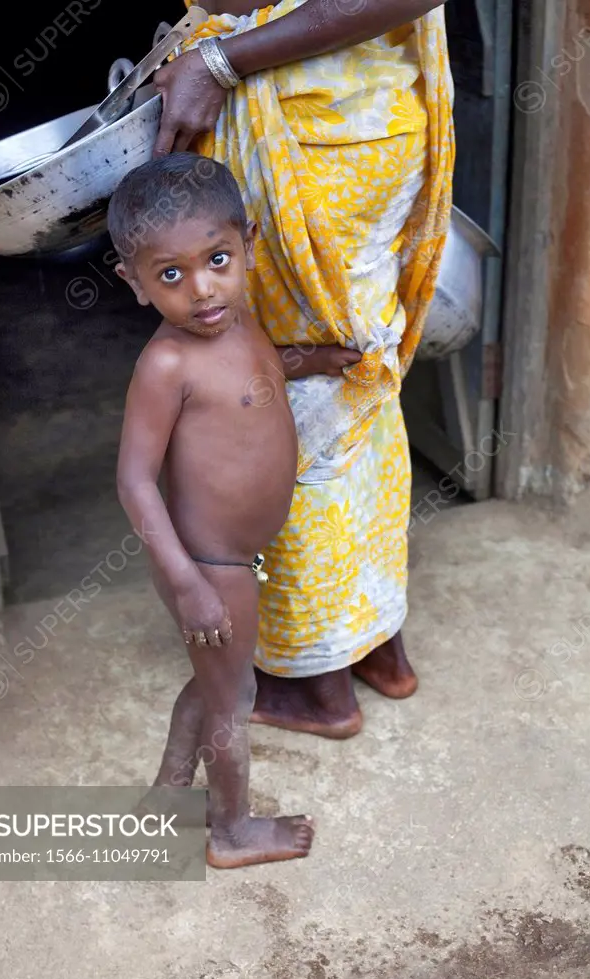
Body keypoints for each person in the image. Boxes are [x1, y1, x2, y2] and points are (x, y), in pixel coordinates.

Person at [146, 0, 455, 739]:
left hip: (311, 130)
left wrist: (221, 60)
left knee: (296, 408)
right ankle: (381, 649)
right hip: (352, 115)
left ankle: (320, 688)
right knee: (358, 387)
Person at [110, 154, 357, 867]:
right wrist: (186, 582)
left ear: (248, 244)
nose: (202, 289)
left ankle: (167, 794)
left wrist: (309, 360)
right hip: (208, 565)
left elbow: (259, 372)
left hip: (230, 561)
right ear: (134, 282)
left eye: (218, 259)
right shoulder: (166, 365)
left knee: (215, 681)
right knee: (233, 696)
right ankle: (231, 830)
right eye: (171, 275)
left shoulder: (240, 320)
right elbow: (133, 480)